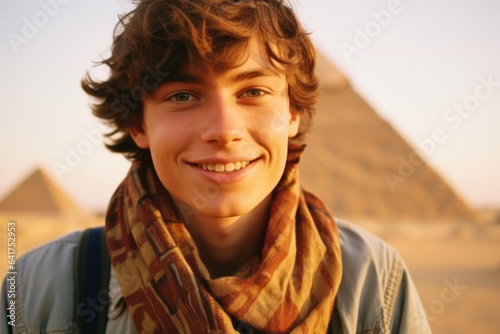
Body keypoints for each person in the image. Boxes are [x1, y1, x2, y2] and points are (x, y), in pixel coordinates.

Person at [1, 0, 431, 333]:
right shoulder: (42, 290)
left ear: (293, 112)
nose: (224, 131)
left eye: (254, 91)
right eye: (183, 96)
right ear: (137, 123)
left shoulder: (373, 279)